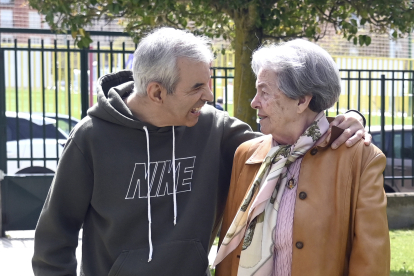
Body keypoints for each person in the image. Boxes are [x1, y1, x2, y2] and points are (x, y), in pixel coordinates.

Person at [32, 28, 370, 276]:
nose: (208, 95)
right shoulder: (91, 138)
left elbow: (290, 141)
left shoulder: (215, 128)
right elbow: (54, 236)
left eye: (208, 83)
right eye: (197, 87)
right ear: (157, 92)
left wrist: (349, 119)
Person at [214, 39, 390, 276]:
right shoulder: (247, 155)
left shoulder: (359, 157)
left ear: (301, 101)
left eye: (264, 92)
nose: (254, 102)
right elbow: (230, 254)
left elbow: (371, 261)